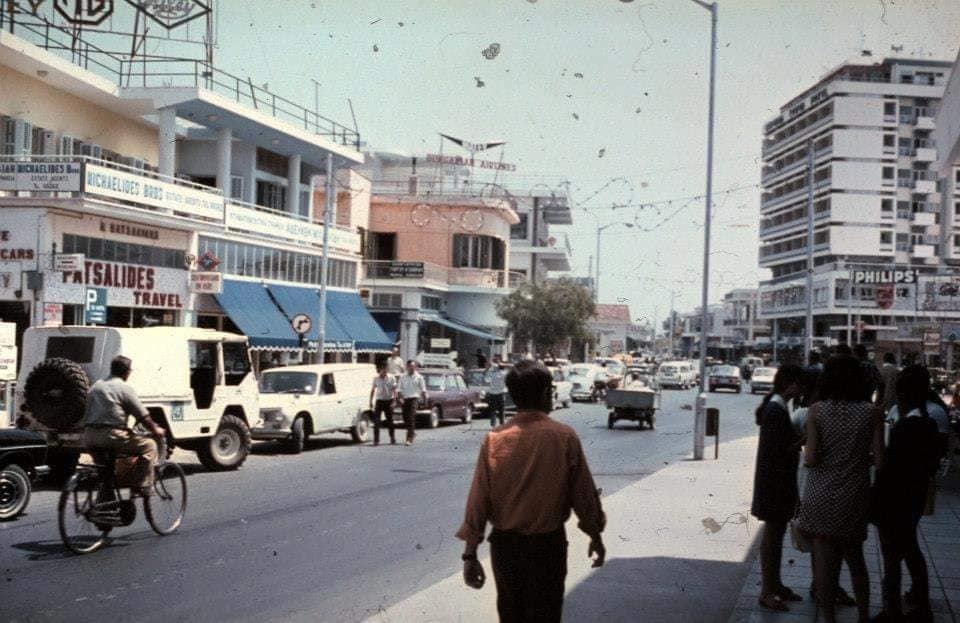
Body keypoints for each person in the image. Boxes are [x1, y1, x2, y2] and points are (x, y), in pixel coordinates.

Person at [457, 360, 606, 622]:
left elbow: (479, 501)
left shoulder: (495, 439)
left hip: (506, 550)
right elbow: (583, 495)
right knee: (546, 615)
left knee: (511, 615)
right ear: (543, 394)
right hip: (547, 548)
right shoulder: (564, 436)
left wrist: (470, 555)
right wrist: (595, 534)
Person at [795, 355, 884, 623]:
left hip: (819, 494)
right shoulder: (872, 413)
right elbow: (880, 460)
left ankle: (829, 619)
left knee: (824, 565)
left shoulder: (816, 411)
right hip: (854, 494)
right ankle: (864, 616)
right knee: (856, 560)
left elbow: (810, 459)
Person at [871, 366, 946, 623]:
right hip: (912, 499)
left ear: (901, 393)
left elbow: (885, 467)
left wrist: (878, 432)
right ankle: (920, 604)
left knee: (891, 558)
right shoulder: (931, 420)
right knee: (911, 550)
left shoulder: (906, 427)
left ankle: (891, 611)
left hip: (893, 502)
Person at [751, 364, 806, 612]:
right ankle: (767, 590)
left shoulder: (777, 406)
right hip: (774, 484)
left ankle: (775, 584)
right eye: (799, 384)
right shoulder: (776, 410)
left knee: (775, 536)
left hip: (775, 484)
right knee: (772, 537)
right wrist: (805, 439)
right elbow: (780, 451)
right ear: (791, 384)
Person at [82, 355, 166, 496]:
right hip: (112, 436)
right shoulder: (124, 388)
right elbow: (142, 415)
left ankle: (106, 505)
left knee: (106, 471)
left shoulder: (96, 386)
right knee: (150, 446)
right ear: (127, 371)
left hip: (90, 437)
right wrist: (155, 429)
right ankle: (143, 485)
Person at [397, 360, 427, 446]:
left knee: (411, 418)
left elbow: (423, 390)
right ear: (407, 367)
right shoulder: (402, 377)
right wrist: (400, 398)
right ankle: (412, 432)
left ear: (415, 367)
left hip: (414, 399)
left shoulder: (419, 377)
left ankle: (409, 438)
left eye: (413, 366)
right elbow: (399, 389)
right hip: (405, 399)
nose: (412, 368)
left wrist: (425, 402)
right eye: (410, 366)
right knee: (405, 418)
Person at [369, 366, 397, 446]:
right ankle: (376, 440)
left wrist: (394, 401)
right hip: (379, 401)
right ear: (379, 370)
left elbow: (394, 390)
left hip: (389, 401)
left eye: (385, 371)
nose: (384, 373)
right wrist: (370, 401)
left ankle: (392, 437)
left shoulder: (391, 378)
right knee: (376, 422)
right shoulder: (376, 378)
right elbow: (373, 390)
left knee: (390, 421)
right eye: (383, 371)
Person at [484, 356, 507, 427]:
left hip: (493, 393)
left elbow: (486, 380)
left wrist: (487, 368)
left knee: (493, 410)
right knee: (502, 410)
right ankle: (502, 424)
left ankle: (493, 425)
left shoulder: (491, 373)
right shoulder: (504, 373)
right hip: (501, 393)